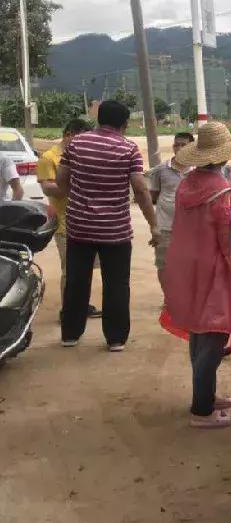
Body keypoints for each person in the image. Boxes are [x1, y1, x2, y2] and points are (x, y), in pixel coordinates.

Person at [163, 122, 231, 428]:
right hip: (213, 270)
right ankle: (202, 410)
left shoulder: (187, 183)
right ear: (224, 155)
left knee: (198, 332)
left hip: (186, 266)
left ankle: (204, 395)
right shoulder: (222, 192)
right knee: (213, 338)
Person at [57, 101, 160, 351]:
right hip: (115, 231)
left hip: (79, 228)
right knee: (116, 284)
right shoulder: (129, 149)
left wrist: (80, 198)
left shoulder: (76, 143)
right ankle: (115, 339)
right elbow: (140, 189)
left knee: (76, 281)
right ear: (124, 124)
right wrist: (153, 224)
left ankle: (70, 334)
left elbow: (61, 180)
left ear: (99, 119)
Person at [37, 118, 101, 321]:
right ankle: (68, 311)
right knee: (70, 271)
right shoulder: (49, 157)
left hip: (88, 222)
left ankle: (81, 305)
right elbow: (47, 187)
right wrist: (74, 185)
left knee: (86, 269)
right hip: (66, 224)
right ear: (69, 134)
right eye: (82, 137)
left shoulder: (83, 156)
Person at [149, 132, 194, 298]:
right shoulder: (161, 170)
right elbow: (153, 196)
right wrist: (154, 226)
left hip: (191, 229)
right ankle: (170, 299)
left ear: (192, 146)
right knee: (164, 266)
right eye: (177, 144)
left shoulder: (199, 171)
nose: (179, 148)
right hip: (165, 226)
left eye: (184, 144)